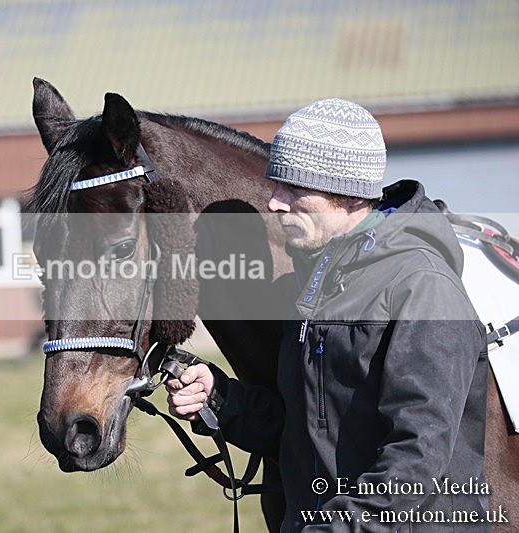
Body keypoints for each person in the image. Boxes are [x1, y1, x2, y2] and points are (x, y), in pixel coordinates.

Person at [166, 99, 488, 531]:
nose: (275, 203)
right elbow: (308, 432)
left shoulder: (422, 288)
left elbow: (418, 457)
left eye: (295, 189)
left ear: (350, 193)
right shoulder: (311, 284)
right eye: (276, 185)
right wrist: (221, 398)